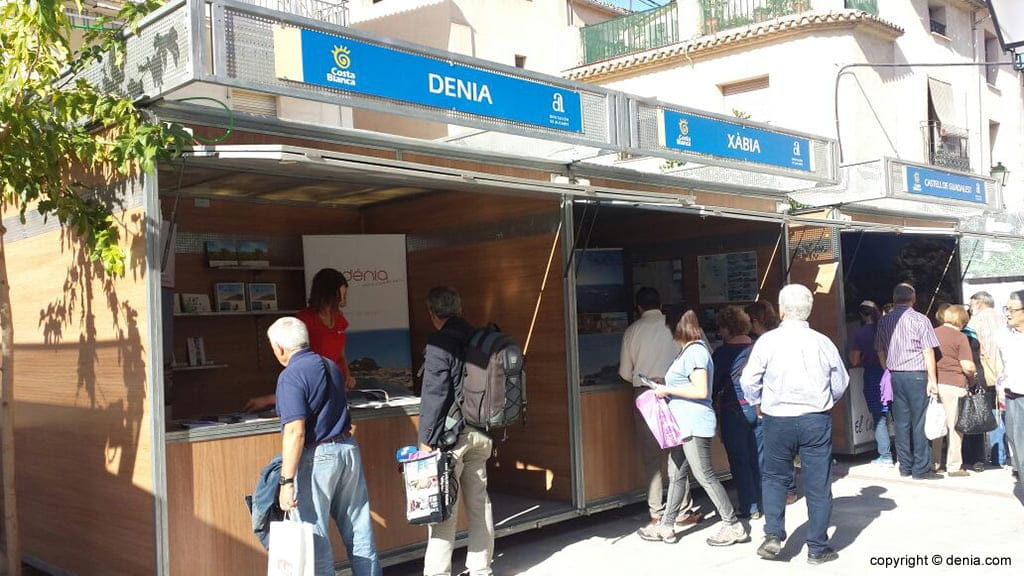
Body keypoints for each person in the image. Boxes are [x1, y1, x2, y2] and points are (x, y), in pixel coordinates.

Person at [740, 284, 849, 565]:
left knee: (775, 477)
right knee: (818, 482)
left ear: (782, 310)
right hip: (815, 418)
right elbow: (840, 382)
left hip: (777, 419)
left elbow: (748, 380)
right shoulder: (822, 342)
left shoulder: (767, 341)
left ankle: (774, 535)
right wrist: (825, 401)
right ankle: (817, 547)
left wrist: (757, 401)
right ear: (809, 310)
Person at [267, 317, 381, 576]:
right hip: (347, 450)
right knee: (359, 531)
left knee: (315, 537)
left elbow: (295, 432)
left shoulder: (290, 376)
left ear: (280, 348)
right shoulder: (331, 366)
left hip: (317, 457)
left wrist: (287, 482)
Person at [637, 310, 749, 547]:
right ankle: (666, 526)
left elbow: (700, 391)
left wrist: (667, 390)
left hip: (694, 423)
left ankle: (733, 525)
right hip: (684, 424)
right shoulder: (688, 351)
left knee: (704, 475)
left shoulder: (696, 351)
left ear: (677, 328)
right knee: (676, 474)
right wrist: (664, 383)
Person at [418, 287, 495, 576]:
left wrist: (425, 441)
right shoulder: (480, 338)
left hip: (453, 437)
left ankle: (438, 572)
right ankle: (481, 567)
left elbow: (434, 397)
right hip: (482, 432)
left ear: (433, 313)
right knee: (479, 500)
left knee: (444, 507)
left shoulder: (440, 344)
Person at [619, 288, 702, 527]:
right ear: (661, 303)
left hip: (645, 395)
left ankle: (657, 512)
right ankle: (683, 510)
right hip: (675, 392)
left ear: (638, 307)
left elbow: (626, 372)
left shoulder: (632, 330)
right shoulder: (674, 327)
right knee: (677, 453)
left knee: (651, 458)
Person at [246, 268, 356, 411]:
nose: (343, 299)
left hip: (336, 387)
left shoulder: (339, 319)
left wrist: (347, 376)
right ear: (329, 293)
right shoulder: (303, 320)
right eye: (341, 294)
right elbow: (297, 361)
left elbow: (341, 355)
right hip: (314, 384)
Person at [874, 283, 942, 480]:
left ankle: (905, 466)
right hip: (917, 374)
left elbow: (879, 348)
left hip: (895, 375)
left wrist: (886, 368)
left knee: (901, 423)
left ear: (895, 299)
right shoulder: (921, 320)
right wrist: (932, 379)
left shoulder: (885, 321)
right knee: (919, 421)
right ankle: (920, 469)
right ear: (913, 299)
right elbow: (928, 350)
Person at [711, 306, 761, 519]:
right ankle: (762, 501)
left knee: (739, 461)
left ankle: (750, 507)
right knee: (757, 458)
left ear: (727, 328)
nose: (719, 332)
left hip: (734, 410)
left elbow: (712, 386)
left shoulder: (722, 354)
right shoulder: (757, 347)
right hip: (758, 407)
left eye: (721, 328)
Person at [746, 300, 798, 504]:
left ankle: (780, 491)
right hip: (790, 399)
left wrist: (755, 401)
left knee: (771, 451)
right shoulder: (785, 338)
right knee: (786, 450)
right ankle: (790, 490)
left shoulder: (763, 342)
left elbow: (750, 378)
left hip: (771, 402)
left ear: (755, 321)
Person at [932, 305, 976, 476]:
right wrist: (972, 379)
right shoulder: (960, 337)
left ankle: (935, 462)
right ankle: (954, 465)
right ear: (962, 321)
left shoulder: (933, 333)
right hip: (954, 384)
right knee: (955, 426)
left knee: (937, 424)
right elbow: (967, 366)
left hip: (936, 383)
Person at [968, 291, 1009, 469]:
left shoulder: (974, 323)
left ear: (979, 304)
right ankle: (1003, 455)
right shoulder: (1005, 319)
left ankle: (993, 455)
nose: (969, 309)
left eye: (970, 306)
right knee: (1005, 414)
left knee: (989, 414)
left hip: (985, 375)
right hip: (1007, 375)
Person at [849, 301, 891, 466]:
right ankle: (905, 455)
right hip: (890, 374)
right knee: (899, 417)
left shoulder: (860, 334)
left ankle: (885, 455)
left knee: (879, 418)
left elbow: (854, 360)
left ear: (862, 315)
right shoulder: (885, 330)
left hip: (873, 376)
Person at [996, 290, 1024, 486]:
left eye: (1012, 310)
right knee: (1017, 444)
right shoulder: (1002, 334)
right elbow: (998, 364)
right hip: (1013, 396)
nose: (1007, 314)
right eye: (1006, 309)